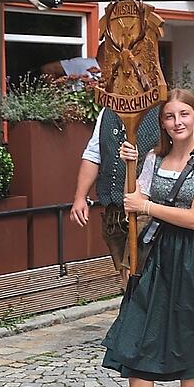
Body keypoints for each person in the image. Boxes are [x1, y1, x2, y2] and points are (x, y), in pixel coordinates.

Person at [103, 89, 194, 387]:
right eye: (170, 116)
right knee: (135, 338)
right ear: (162, 123)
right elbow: (134, 201)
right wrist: (130, 166)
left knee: (189, 343)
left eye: (184, 114)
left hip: (190, 258)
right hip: (152, 255)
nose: (177, 122)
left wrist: (146, 207)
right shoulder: (153, 158)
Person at [71, 106, 160, 288]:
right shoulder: (107, 112)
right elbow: (93, 154)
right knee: (126, 277)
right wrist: (80, 197)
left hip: (146, 209)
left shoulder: (161, 109)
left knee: (135, 274)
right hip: (114, 211)